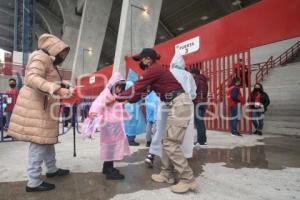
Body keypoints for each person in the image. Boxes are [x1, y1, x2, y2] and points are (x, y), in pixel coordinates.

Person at [115, 48, 197, 194]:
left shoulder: (154, 69)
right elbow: (140, 93)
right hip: (174, 105)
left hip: (179, 104)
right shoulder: (154, 74)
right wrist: (125, 100)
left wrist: (116, 98)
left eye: (141, 59)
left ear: (147, 59)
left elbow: (138, 87)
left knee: (171, 143)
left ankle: (188, 179)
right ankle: (167, 174)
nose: (140, 62)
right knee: (166, 141)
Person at [8, 34, 73, 192]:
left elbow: (47, 79)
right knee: (38, 143)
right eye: (62, 53)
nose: (63, 56)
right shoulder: (40, 57)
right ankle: (33, 182)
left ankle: (51, 169)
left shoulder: (48, 60)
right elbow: (32, 78)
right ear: (54, 48)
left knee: (47, 141)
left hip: (44, 107)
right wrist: (56, 88)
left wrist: (61, 84)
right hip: (37, 107)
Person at [88, 72, 131, 180]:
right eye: (118, 87)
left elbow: (113, 106)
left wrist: (121, 103)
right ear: (112, 84)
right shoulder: (106, 93)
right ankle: (110, 171)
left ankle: (107, 167)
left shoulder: (112, 94)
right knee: (110, 147)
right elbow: (97, 104)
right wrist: (93, 117)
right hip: (109, 126)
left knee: (111, 147)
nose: (120, 90)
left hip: (113, 126)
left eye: (122, 88)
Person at [124, 69, 146, 146]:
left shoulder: (127, 83)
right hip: (133, 106)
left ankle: (127, 138)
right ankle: (131, 140)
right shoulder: (132, 84)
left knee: (127, 123)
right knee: (133, 123)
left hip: (128, 106)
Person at [189, 67, 208, 146]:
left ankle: (201, 141)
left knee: (198, 122)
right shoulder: (204, 80)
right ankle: (203, 140)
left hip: (197, 102)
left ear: (193, 74)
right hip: (203, 102)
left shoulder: (196, 80)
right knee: (201, 121)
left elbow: (193, 91)